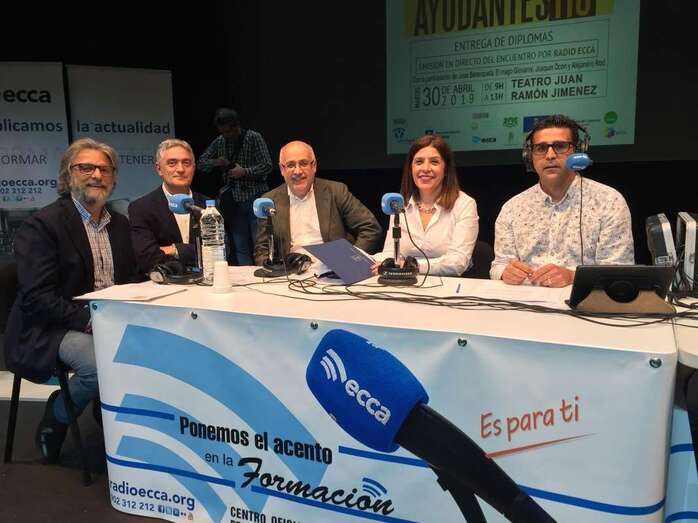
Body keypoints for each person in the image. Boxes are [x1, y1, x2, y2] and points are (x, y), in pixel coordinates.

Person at [4, 138, 140, 462]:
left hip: (107, 319)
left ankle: (110, 413)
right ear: (68, 175)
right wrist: (91, 322)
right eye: (86, 168)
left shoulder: (120, 225)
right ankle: (59, 414)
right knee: (99, 366)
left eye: (105, 169)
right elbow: (38, 297)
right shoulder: (43, 225)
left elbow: (130, 280)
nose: (97, 175)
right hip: (50, 326)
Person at [490, 114, 634, 287]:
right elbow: (498, 266)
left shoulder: (609, 201)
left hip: (582, 300)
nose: (550, 155)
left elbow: (619, 272)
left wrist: (573, 277)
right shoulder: (512, 208)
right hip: (524, 299)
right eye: (540, 148)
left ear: (578, 151)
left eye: (560, 146)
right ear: (530, 155)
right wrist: (504, 272)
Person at [254, 140, 382, 266]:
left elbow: (370, 227)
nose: (297, 171)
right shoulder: (269, 201)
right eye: (291, 165)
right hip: (291, 270)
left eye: (303, 163)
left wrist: (352, 260)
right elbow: (262, 249)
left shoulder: (336, 192)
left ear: (314, 166)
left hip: (332, 269)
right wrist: (270, 270)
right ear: (282, 169)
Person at [373, 134, 479, 275]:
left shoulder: (464, 204)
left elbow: (457, 262)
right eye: (419, 162)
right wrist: (370, 260)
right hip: (404, 282)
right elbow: (391, 253)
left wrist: (412, 266)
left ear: (446, 169)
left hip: (449, 283)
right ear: (411, 168)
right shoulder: (399, 204)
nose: (425, 168)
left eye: (434, 162)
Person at [197, 108, 272, 265]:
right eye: (222, 132)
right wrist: (217, 162)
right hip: (233, 201)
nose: (226, 135)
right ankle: (246, 276)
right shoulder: (220, 141)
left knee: (260, 243)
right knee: (240, 246)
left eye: (229, 131)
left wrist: (244, 171)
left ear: (237, 126)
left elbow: (267, 165)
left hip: (255, 198)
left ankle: (264, 272)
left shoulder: (253, 138)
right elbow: (201, 163)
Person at [129, 139, 207, 275]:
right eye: (172, 163)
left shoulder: (208, 205)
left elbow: (221, 251)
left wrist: (174, 249)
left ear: (194, 168)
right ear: (159, 169)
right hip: (163, 283)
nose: (181, 169)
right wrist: (194, 252)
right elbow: (148, 258)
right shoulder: (141, 208)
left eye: (186, 163)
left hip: (206, 281)